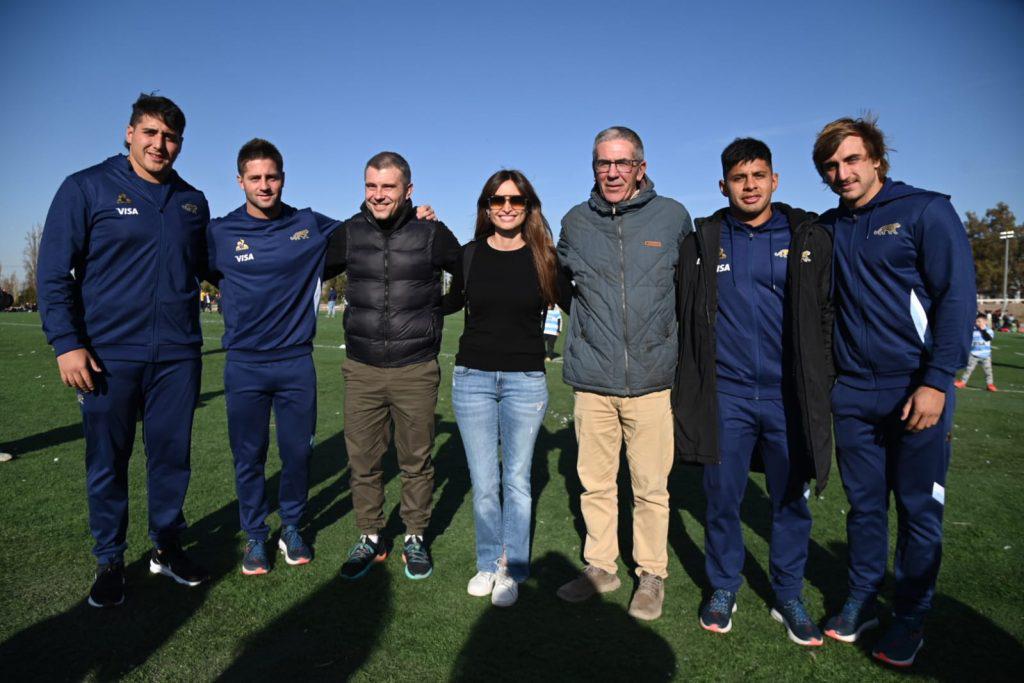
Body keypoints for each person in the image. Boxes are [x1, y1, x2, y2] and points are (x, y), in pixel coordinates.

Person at [36, 93, 211, 608]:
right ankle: (110, 559)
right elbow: (52, 273)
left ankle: (166, 546)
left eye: (171, 137)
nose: (161, 145)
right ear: (129, 133)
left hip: (178, 355)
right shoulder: (86, 187)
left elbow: (215, 264)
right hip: (108, 356)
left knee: (171, 459)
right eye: (151, 133)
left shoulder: (191, 200)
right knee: (108, 461)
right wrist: (67, 344)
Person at [812, 116, 975, 666]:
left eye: (853, 159)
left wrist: (936, 381)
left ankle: (910, 616)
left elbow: (956, 299)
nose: (843, 172)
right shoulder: (829, 228)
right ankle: (861, 598)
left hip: (916, 389)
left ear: (877, 159)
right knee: (862, 508)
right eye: (832, 166)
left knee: (917, 510)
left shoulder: (926, 210)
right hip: (854, 394)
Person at [674, 138, 834, 645]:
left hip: (790, 396)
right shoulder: (704, 240)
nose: (750, 186)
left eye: (758, 175)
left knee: (791, 499)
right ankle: (723, 586)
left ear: (775, 180)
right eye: (739, 178)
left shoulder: (808, 234)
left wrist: (823, 375)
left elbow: (828, 312)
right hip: (729, 394)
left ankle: (788, 592)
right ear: (723, 186)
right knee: (722, 498)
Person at [555, 126, 693, 620]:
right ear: (593, 167)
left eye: (621, 163)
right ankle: (601, 566)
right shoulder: (574, 222)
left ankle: (651, 574)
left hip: (654, 380)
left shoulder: (673, 217)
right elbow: (564, 290)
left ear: (641, 166)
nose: (611, 172)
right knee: (595, 483)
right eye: (602, 163)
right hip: (593, 379)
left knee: (651, 486)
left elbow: (686, 291)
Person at [206, 138, 343, 575]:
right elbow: (203, 270)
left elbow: (366, 230)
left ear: (283, 178)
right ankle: (254, 536)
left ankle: (293, 527)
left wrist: (413, 216)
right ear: (240, 180)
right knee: (249, 456)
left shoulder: (310, 223)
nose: (265, 186)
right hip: (244, 364)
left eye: (272, 176)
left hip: (294, 363)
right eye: (255, 178)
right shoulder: (219, 233)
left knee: (298, 454)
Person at [324, 152, 460, 581]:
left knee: (416, 460)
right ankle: (370, 535)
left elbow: (467, 276)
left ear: (408, 191)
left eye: (388, 187)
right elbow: (306, 270)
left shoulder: (432, 233)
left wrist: (439, 311)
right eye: (371, 186)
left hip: (415, 368)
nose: (378, 195)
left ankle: (415, 535)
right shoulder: (347, 233)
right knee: (363, 460)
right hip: (361, 367)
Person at [444, 170, 572, 607]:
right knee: (484, 483)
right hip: (472, 380)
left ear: (528, 206)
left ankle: (512, 569)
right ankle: (487, 563)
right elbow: (443, 303)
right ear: (485, 206)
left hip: (524, 381)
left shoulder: (545, 258)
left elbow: (581, 303)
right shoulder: (469, 255)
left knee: (516, 481)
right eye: (497, 200)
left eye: (515, 200)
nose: (506, 206)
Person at [954, 313, 996, 392]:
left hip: (986, 355)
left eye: (981, 321)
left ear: (986, 322)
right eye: (977, 321)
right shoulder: (973, 331)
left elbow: (988, 338)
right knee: (969, 369)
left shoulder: (989, 331)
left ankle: (990, 384)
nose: (979, 323)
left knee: (988, 371)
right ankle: (963, 382)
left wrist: (983, 330)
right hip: (974, 354)